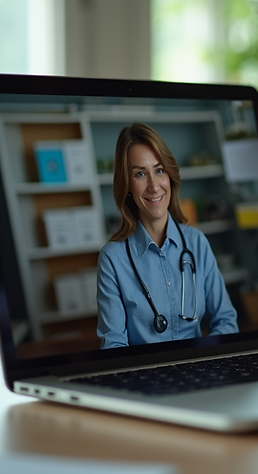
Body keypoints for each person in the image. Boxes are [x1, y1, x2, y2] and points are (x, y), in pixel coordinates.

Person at [96, 123, 238, 348]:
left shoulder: (197, 243)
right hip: (145, 378)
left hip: (201, 371)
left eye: (159, 170)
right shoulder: (112, 260)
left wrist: (205, 365)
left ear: (170, 176)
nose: (154, 186)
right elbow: (113, 345)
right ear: (127, 185)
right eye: (140, 174)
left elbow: (226, 321)